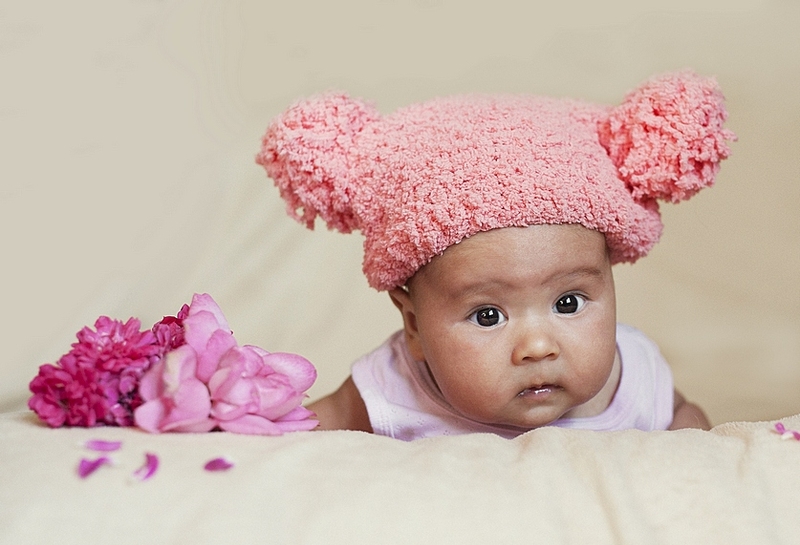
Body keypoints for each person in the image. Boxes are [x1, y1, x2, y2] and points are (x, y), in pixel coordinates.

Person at [256, 71, 735, 440]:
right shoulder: (393, 389)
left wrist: (690, 442)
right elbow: (305, 428)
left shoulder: (636, 378)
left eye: (568, 303)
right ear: (414, 325)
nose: (537, 347)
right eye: (487, 315)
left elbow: (688, 425)